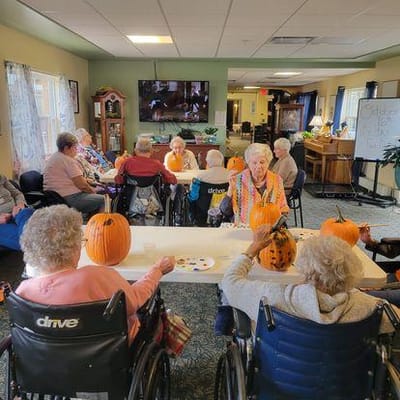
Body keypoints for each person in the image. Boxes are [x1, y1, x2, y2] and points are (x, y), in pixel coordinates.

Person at [16, 205, 175, 344]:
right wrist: (157, 271)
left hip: (45, 363)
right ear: (74, 248)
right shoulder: (98, 277)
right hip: (108, 358)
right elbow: (134, 302)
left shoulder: (22, 292)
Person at [221, 225, 396, 333]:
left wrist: (254, 248)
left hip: (280, 374)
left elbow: (230, 282)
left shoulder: (272, 296)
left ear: (306, 270)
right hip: (346, 385)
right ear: (351, 274)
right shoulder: (371, 307)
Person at [220, 143, 289, 225]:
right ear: (248, 164)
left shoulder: (277, 180)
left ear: (268, 163)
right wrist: (231, 189)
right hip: (243, 228)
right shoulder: (238, 180)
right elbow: (224, 210)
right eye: (254, 163)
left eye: (262, 162)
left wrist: (276, 226)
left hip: (269, 229)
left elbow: (283, 209)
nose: (258, 166)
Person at [43, 132, 104, 215]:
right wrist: (93, 191)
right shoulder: (67, 160)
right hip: (68, 198)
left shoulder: (55, 157)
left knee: (97, 194)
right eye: (75, 147)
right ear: (66, 148)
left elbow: (72, 178)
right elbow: (82, 185)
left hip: (56, 197)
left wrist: (89, 184)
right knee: (103, 200)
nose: (76, 150)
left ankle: (91, 221)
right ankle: (97, 226)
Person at [0, 174, 34, 251]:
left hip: (17, 212)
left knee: (45, 227)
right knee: (26, 240)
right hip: (1, 222)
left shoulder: (2, 178)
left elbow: (17, 194)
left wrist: (20, 204)